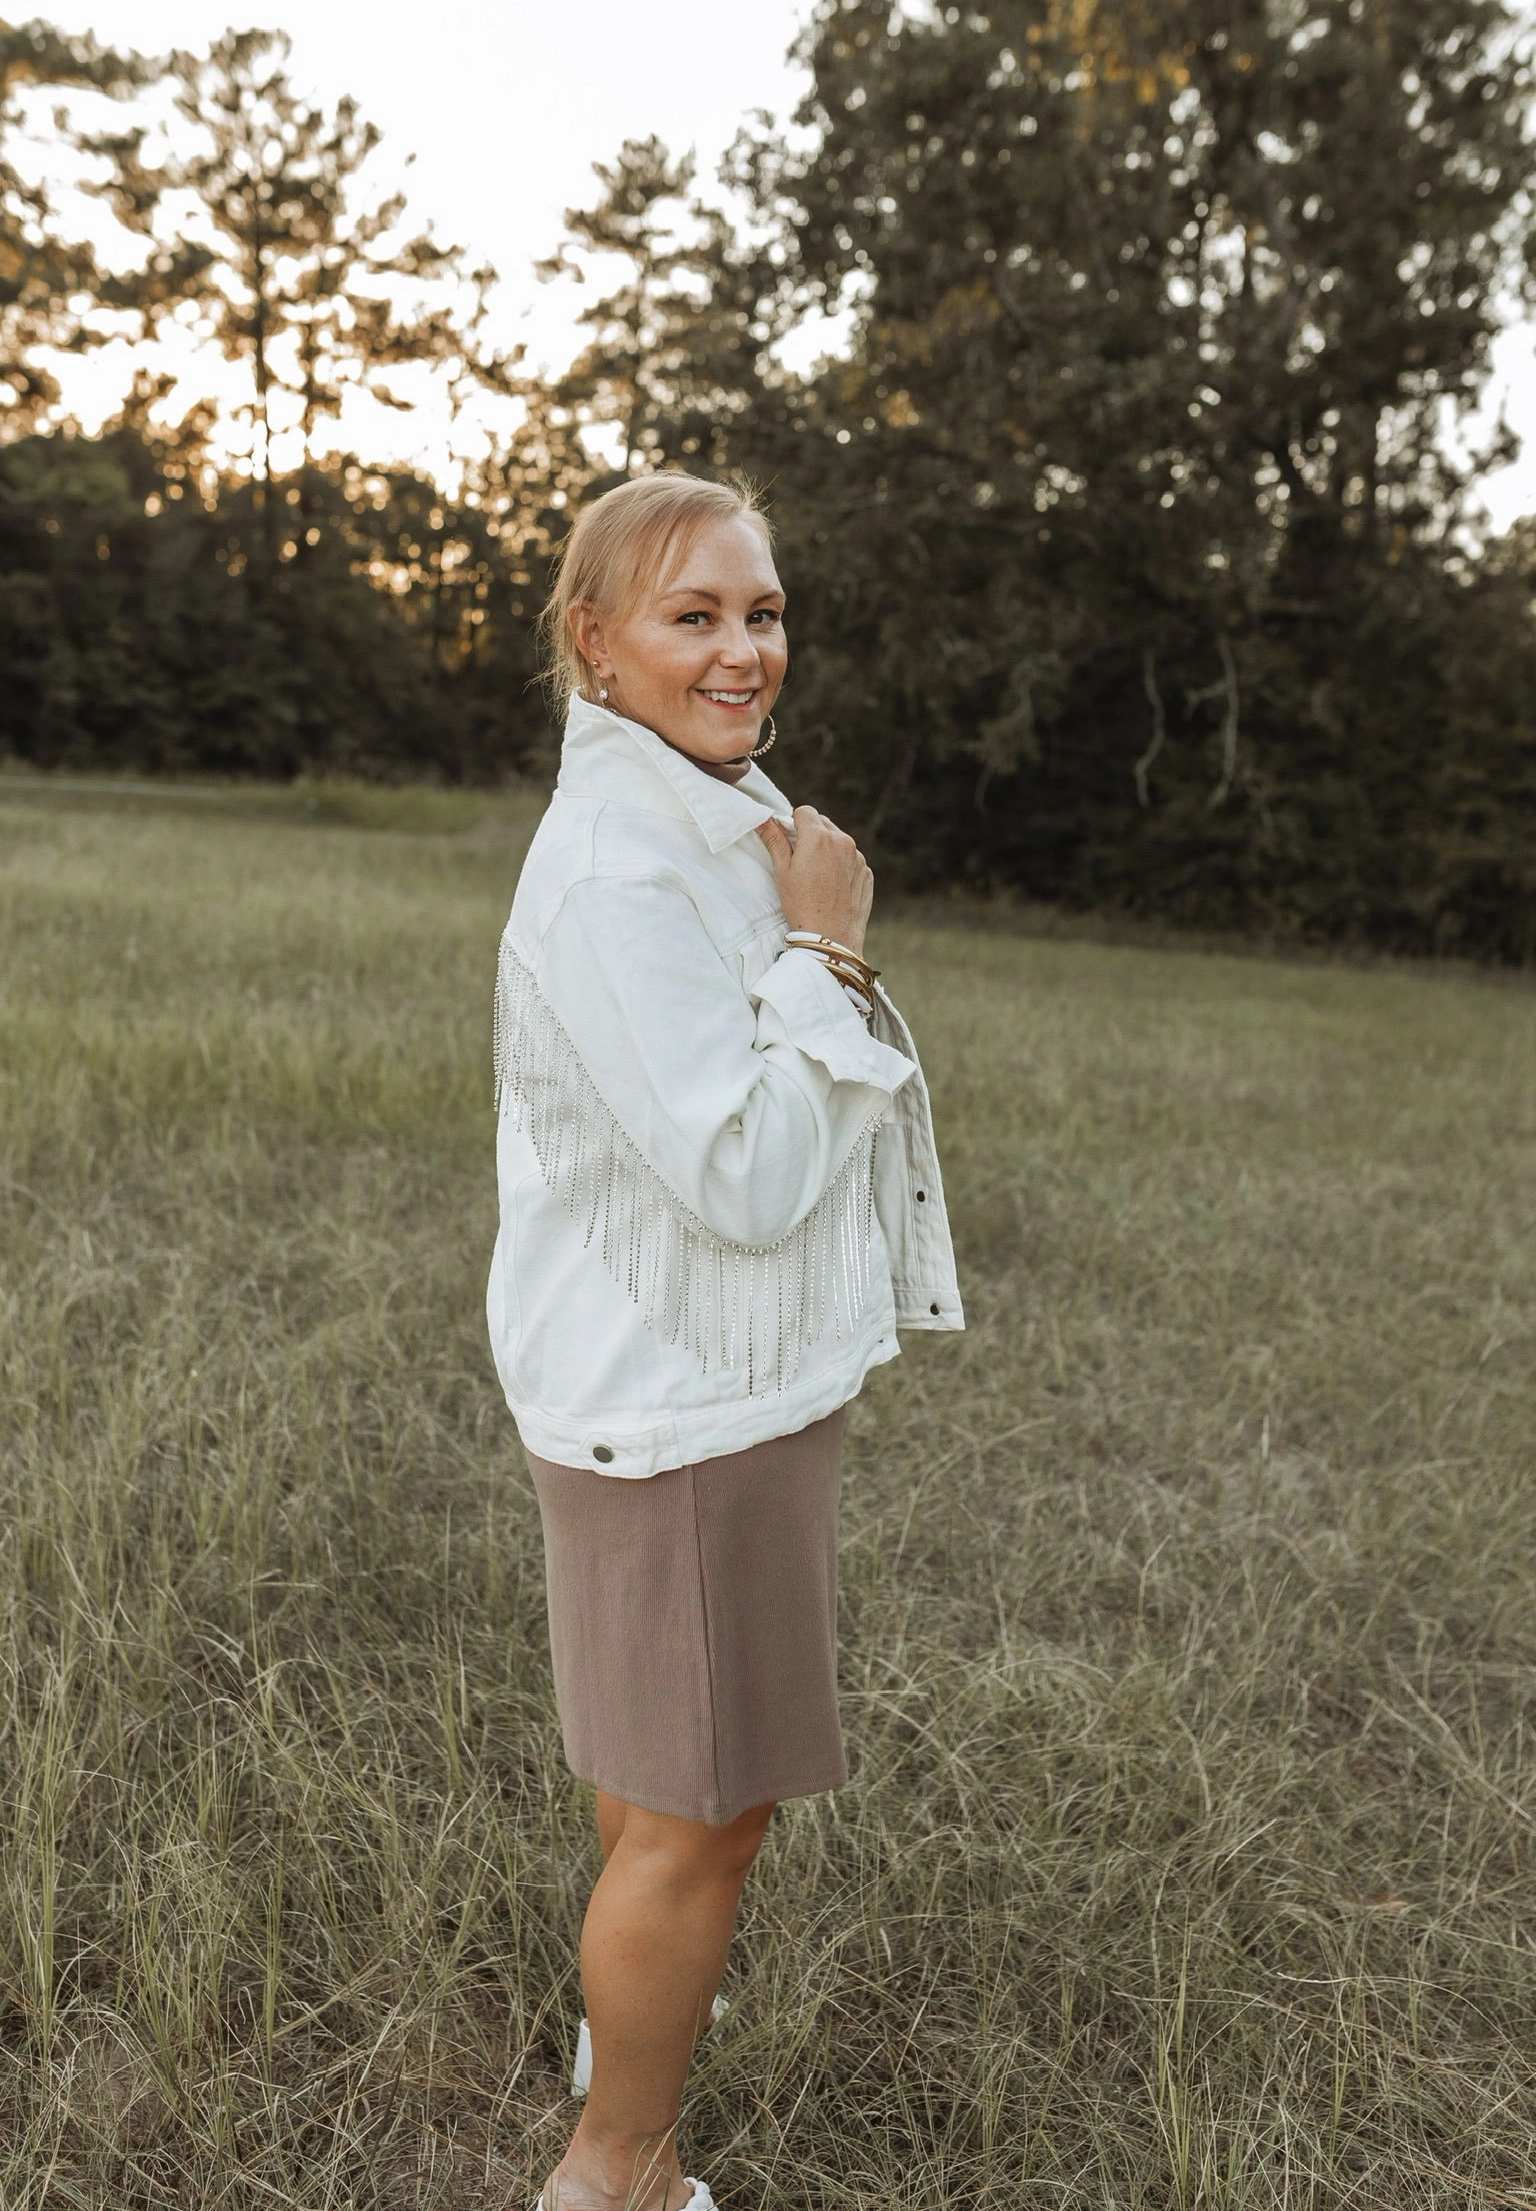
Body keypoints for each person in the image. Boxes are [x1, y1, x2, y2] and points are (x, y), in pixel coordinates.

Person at [487, 471, 962, 2211]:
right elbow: (748, 1171)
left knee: (653, 1790)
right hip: (684, 1409)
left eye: (761, 612)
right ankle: (617, 2170)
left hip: (679, 1383)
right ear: (595, 643)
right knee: (703, 1817)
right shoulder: (626, 861)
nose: (745, 649)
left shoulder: (696, 812)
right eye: (694, 616)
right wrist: (826, 949)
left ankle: (622, 2072)